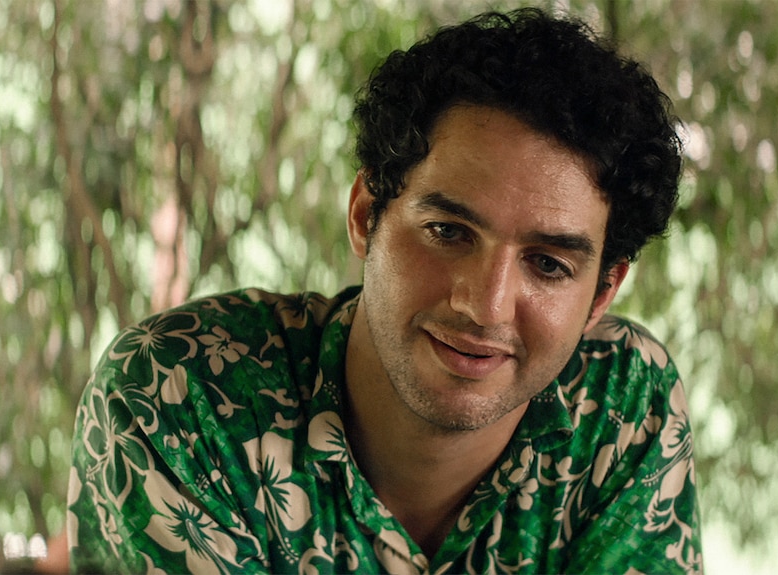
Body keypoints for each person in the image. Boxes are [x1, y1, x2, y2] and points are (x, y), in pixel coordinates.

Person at [67, 7, 702, 574]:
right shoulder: (179, 397)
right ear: (366, 215)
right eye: (448, 231)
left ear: (601, 296)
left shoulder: (621, 404)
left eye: (549, 265)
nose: (484, 304)